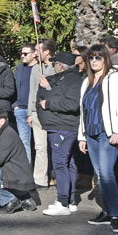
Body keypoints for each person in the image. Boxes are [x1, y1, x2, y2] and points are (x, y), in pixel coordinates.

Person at [77, 45, 118, 234]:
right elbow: (83, 111)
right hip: (91, 134)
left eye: (98, 58)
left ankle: (115, 215)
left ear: (106, 59)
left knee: (107, 173)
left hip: (107, 134)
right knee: (100, 175)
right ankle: (107, 212)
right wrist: (82, 136)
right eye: (91, 58)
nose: (94, 61)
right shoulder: (87, 82)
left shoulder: (116, 79)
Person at [37, 52, 83, 216]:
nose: (52, 66)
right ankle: (69, 200)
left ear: (60, 66)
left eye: (54, 63)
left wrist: (47, 102)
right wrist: (48, 88)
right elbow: (61, 94)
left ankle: (63, 202)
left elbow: (72, 103)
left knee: (60, 164)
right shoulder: (67, 79)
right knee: (68, 163)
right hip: (62, 126)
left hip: (63, 127)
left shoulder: (73, 80)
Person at [27, 38, 56, 188]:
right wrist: (30, 112)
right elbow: (32, 92)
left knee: (56, 146)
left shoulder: (58, 67)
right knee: (40, 147)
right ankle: (40, 179)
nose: (35, 54)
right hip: (38, 113)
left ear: (47, 51)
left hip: (54, 112)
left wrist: (49, 86)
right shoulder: (35, 69)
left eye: (38, 51)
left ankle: (57, 175)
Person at [13, 43, 38, 162]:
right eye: (21, 53)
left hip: (35, 110)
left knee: (39, 143)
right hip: (21, 109)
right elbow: (14, 87)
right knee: (24, 142)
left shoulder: (39, 68)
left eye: (26, 53)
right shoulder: (19, 68)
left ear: (34, 54)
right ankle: (27, 171)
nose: (23, 56)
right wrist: (15, 105)